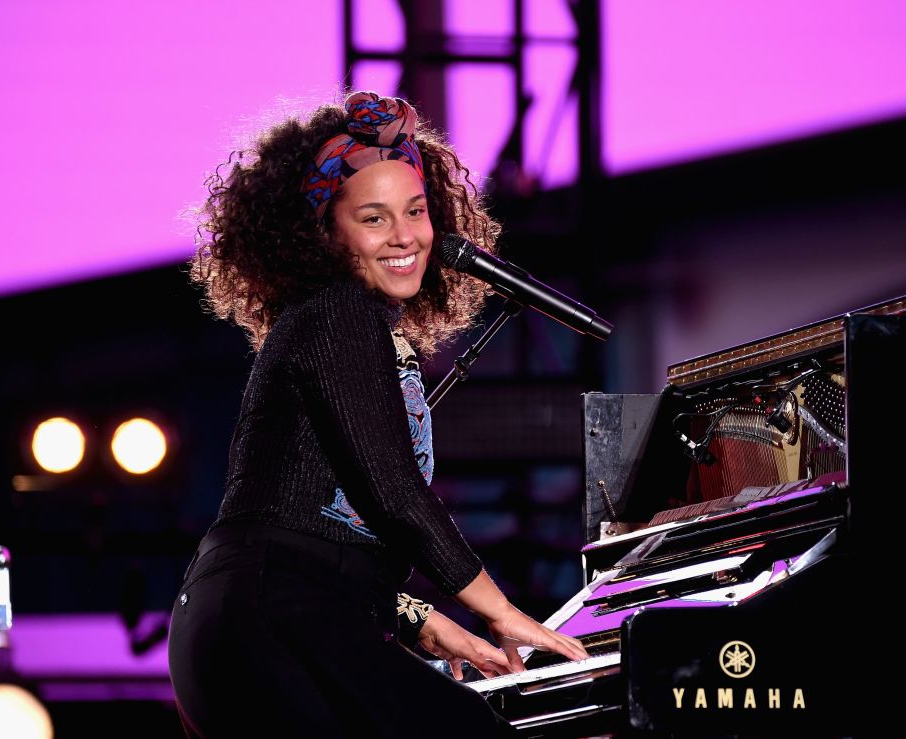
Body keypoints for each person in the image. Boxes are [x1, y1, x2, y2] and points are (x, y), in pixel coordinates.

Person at [166, 91, 589, 738]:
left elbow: (313, 509)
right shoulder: (337, 315)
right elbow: (391, 492)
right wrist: (502, 612)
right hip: (270, 613)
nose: (405, 236)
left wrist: (419, 617)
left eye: (415, 211)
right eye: (373, 217)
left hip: (257, 612)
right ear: (326, 235)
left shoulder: (341, 325)